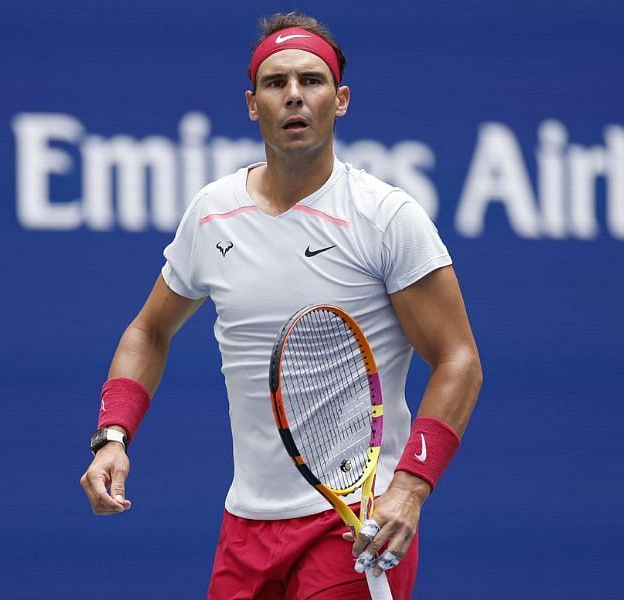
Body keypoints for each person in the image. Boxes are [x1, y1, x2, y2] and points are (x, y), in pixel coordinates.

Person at [77, 12, 483, 599]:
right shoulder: (213, 211)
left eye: (312, 81)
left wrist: (411, 487)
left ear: (340, 100)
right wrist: (112, 435)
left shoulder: (385, 217)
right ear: (252, 103)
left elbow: (458, 359)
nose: (294, 95)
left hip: (354, 530)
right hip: (245, 525)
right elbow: (149, 331)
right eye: (276, 83)